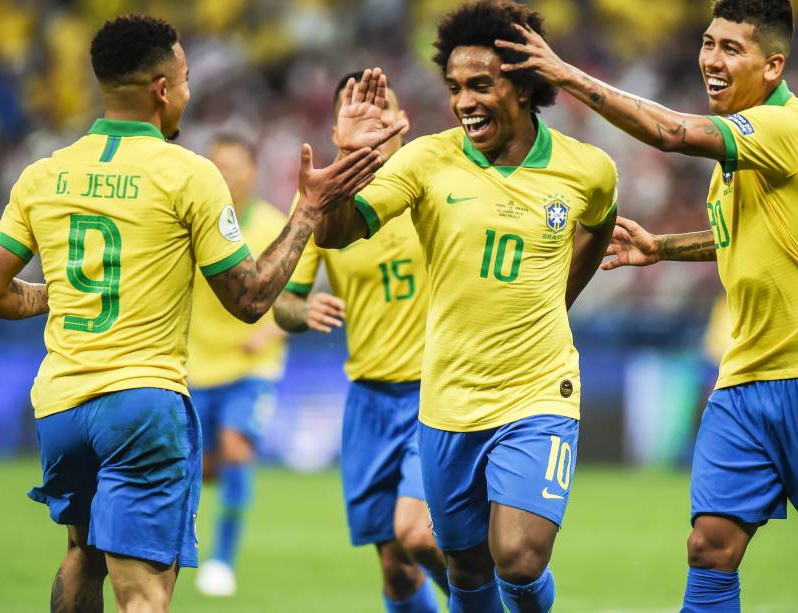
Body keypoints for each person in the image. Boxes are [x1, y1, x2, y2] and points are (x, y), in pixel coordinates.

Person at [0, 14, 393, 612]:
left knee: (81, 557)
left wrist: (51, 296)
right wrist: (308, 209)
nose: (190, 93)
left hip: (61, 403)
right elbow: (250, 298)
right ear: (162, 89)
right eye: (187, 79)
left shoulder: (45, 172)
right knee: (144, 594)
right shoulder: (188, 174)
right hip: (143, 404)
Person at [495, 0, 798, 610]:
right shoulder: (737, 154)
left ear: (773, 65)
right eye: (709, 43)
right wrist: (663, 248)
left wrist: (566, 74)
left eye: (731, 49)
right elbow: (744, 238)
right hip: (742, 380)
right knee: (709, 546)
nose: (711, 59)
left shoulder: (792, 126)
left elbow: (671, 133)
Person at [314, 2, 619, 611]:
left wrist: (559, 301)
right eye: (455, 88)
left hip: (538, 392)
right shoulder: (427, 159)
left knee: (520, 556)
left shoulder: (588, 169)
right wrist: (348, 163)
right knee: (468, 569)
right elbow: (334, 233)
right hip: (449, 401)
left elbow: (600, 224)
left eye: (482, 85)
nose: (464, 102)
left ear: (526, 85)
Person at [275, 71, 449, 613]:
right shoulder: (325, 208)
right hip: (369, 400)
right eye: (360, 111)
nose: (375, 120)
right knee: (395, 567)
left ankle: (496, 598)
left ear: (404, 121)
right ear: (337, 128)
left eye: (384, 109)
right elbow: (281, 302)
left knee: (417, 534)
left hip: (436, 395)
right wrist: (303, 309)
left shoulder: (436, 188)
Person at [186, 133, 292, 596]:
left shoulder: (274, 223)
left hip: (252, 367)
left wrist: (270, 330)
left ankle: (221, 561)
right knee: (204, 469)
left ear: (253, 170)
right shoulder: (192, 223)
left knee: (236, 450)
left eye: (235, 165)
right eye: (219, 165)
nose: (227, 174)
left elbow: (299, 297)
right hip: (195, 364)